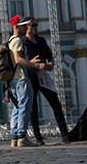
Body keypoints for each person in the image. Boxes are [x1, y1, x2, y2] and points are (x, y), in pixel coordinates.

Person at [24, 20, 69, 144]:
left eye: (35, 25)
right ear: (26, 27)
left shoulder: (41, 41)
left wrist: (50, 64)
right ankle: (38, 138)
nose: (34, 28)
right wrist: (35, 64)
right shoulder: (24, 42)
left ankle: (65, 135)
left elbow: (49, 55)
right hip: (31, 76)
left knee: (55, 103)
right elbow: (24, 60)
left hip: (44, 76)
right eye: (32, 25)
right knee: (33, 107)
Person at [7, 16, 44, 148]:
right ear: (17, 27)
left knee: (17, 108)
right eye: (23, 26)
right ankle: (22, 136)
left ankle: (15, 137)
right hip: (21, 77)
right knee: (24, 106)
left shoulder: (11, 40)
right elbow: (18, 60)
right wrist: (33, 64)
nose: (25, 28)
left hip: (14, 79)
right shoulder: (17, 41)